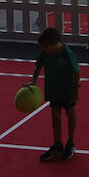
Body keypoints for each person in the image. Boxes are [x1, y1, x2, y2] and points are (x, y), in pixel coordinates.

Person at [28, 26, 79, 161]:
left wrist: (75, 90)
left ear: (55, 43)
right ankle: (57, 144)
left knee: (70, 113)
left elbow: (77, 72)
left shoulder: (67, 54)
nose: (43, 50)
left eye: (45, 47)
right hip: (53, 89)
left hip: (67, 89)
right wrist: (33, 82)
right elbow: (38, 66)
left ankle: (70, 142)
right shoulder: (45, 53)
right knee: (55, 114)